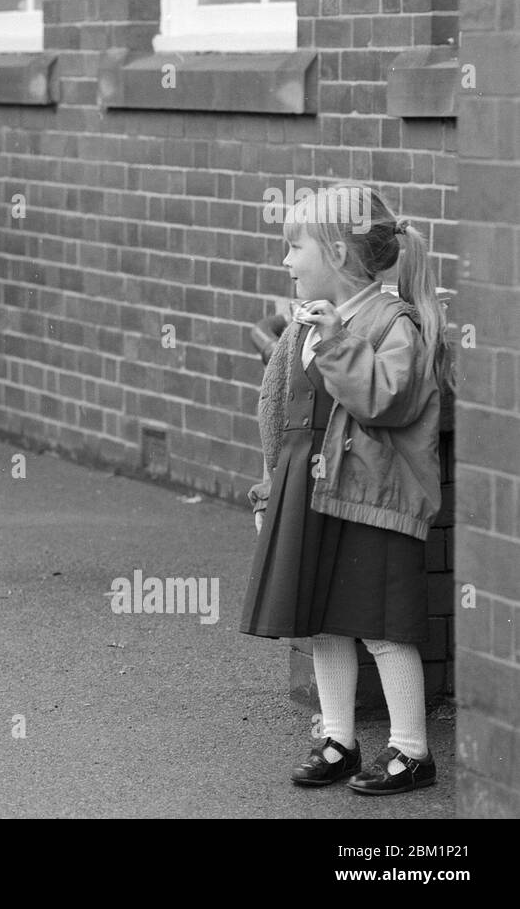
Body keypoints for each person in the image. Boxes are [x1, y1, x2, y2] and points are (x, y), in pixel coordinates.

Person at [242, 184, 452, 795]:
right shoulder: (307, 323)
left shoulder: (394, 323)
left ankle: (412, 751)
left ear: (335, 253)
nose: (286, 261)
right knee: (327, 621)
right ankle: (338, 740)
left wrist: (335, 338)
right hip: (313, 492)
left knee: (382, 627)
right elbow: (285, 412)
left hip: (369, 500)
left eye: (293, 247)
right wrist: (270, 492)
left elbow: (385, 401)